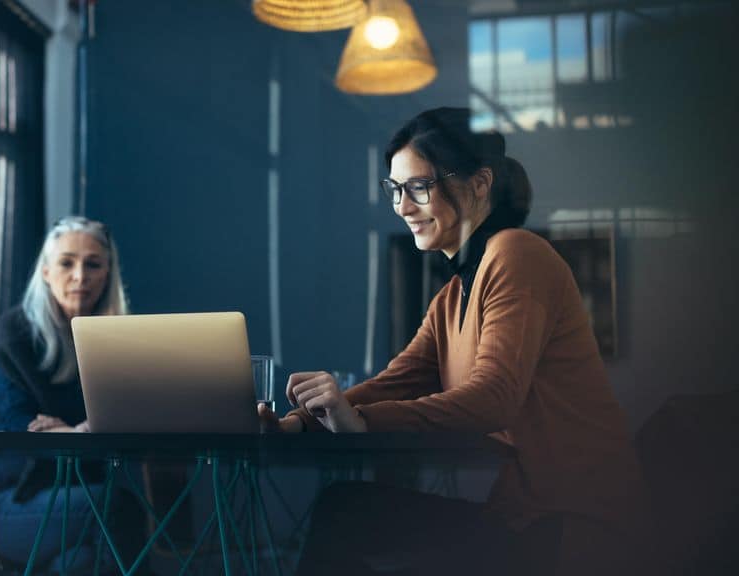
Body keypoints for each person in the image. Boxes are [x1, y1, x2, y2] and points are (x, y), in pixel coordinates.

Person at [259, 107, 649, 575]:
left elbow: (494, 398)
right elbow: (394, 383)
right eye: (395, 190)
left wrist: (359, 420)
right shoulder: (451, 297)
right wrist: (298, 423)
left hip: (574, 527)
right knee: (347, 509)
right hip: (522, 519)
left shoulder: (516, 253)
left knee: (346, 513)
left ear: (479, 184)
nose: (403, 207)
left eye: (418, 187)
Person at [0, 216, 141, 573]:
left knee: (78, 562)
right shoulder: (15, 333)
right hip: (14, 501)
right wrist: (82, 432)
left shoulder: (117, 341)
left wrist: (69, 431)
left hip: (79, 499)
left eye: (93, 264)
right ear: (46, 272)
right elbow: (19, 426)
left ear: (108, 273)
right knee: (114, 505)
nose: (80, 276)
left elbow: (127, 423)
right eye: (67, 263)